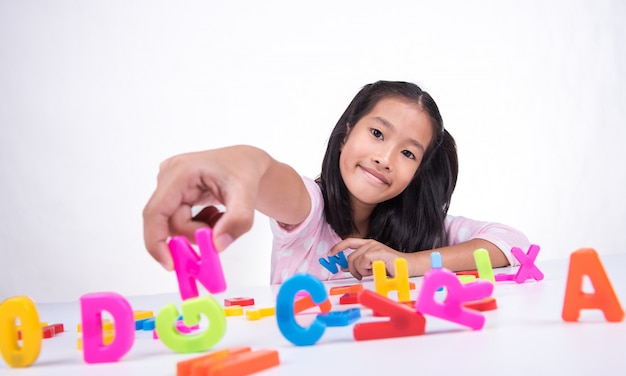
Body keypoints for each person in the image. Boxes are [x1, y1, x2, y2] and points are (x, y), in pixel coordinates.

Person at [143, 81, 530, 284]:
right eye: (378, 134)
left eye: (408, 153)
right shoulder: (309, 214)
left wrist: (409, 263)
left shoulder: (428, 232)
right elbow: (269, 175)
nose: (385, 158)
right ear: (346, 133)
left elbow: (513, 243)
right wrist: (245, 163)